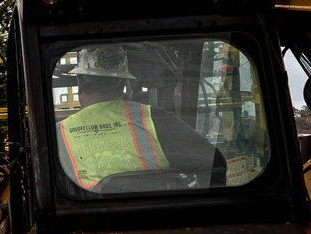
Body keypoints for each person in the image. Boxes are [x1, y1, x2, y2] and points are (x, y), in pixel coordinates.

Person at [57, 45, 225, 191]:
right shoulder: (156, 119)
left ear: (80, 83)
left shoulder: (58, 134)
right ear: (123, 83)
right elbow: (214, 163)